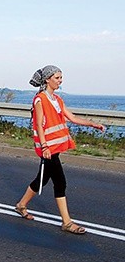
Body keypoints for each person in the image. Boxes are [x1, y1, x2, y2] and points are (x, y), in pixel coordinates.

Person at [14, 65, 105, 235]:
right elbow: (40, 125)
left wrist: (92, 124)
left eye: (61, 77)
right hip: (48, 148)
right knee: (60, 182)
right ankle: (67, 222)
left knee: (42, 180)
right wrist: (45, 146)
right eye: (57, 77)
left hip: (54, 147)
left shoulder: (57, 99)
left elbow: (72, 118)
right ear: (47, 79)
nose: (60, 80)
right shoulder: (40, 99)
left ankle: (21, 205)